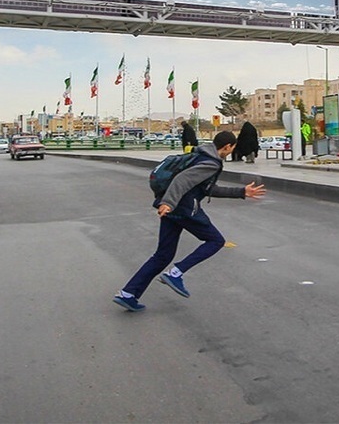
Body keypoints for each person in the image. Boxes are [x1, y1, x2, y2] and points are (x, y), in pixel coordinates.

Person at [113, 131, 266, 312]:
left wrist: (240, 192)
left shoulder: (200, 156)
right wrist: (168, 203)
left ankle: (128, 294)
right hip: (183, 208)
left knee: (163, 255)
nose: (231, 151)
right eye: (232, 148)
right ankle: (176, 273)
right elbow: (182, 180)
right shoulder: (211, 163)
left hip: (174, 209)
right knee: (215, 241)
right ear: (227, 147)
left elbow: (208, 189)